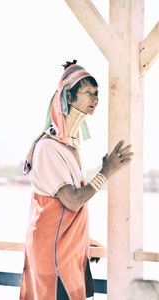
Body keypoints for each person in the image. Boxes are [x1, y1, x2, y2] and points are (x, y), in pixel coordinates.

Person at [20, 60, 133, 300]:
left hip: (66, 249)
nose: (95, 98)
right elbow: (71, 201)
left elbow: (67, 207)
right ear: (68, 99)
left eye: (97, 93)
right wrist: (107, 171)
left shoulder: (69, 146)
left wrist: (82, 239)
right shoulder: (49, 148)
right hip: (52, 255)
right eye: (88, 93)